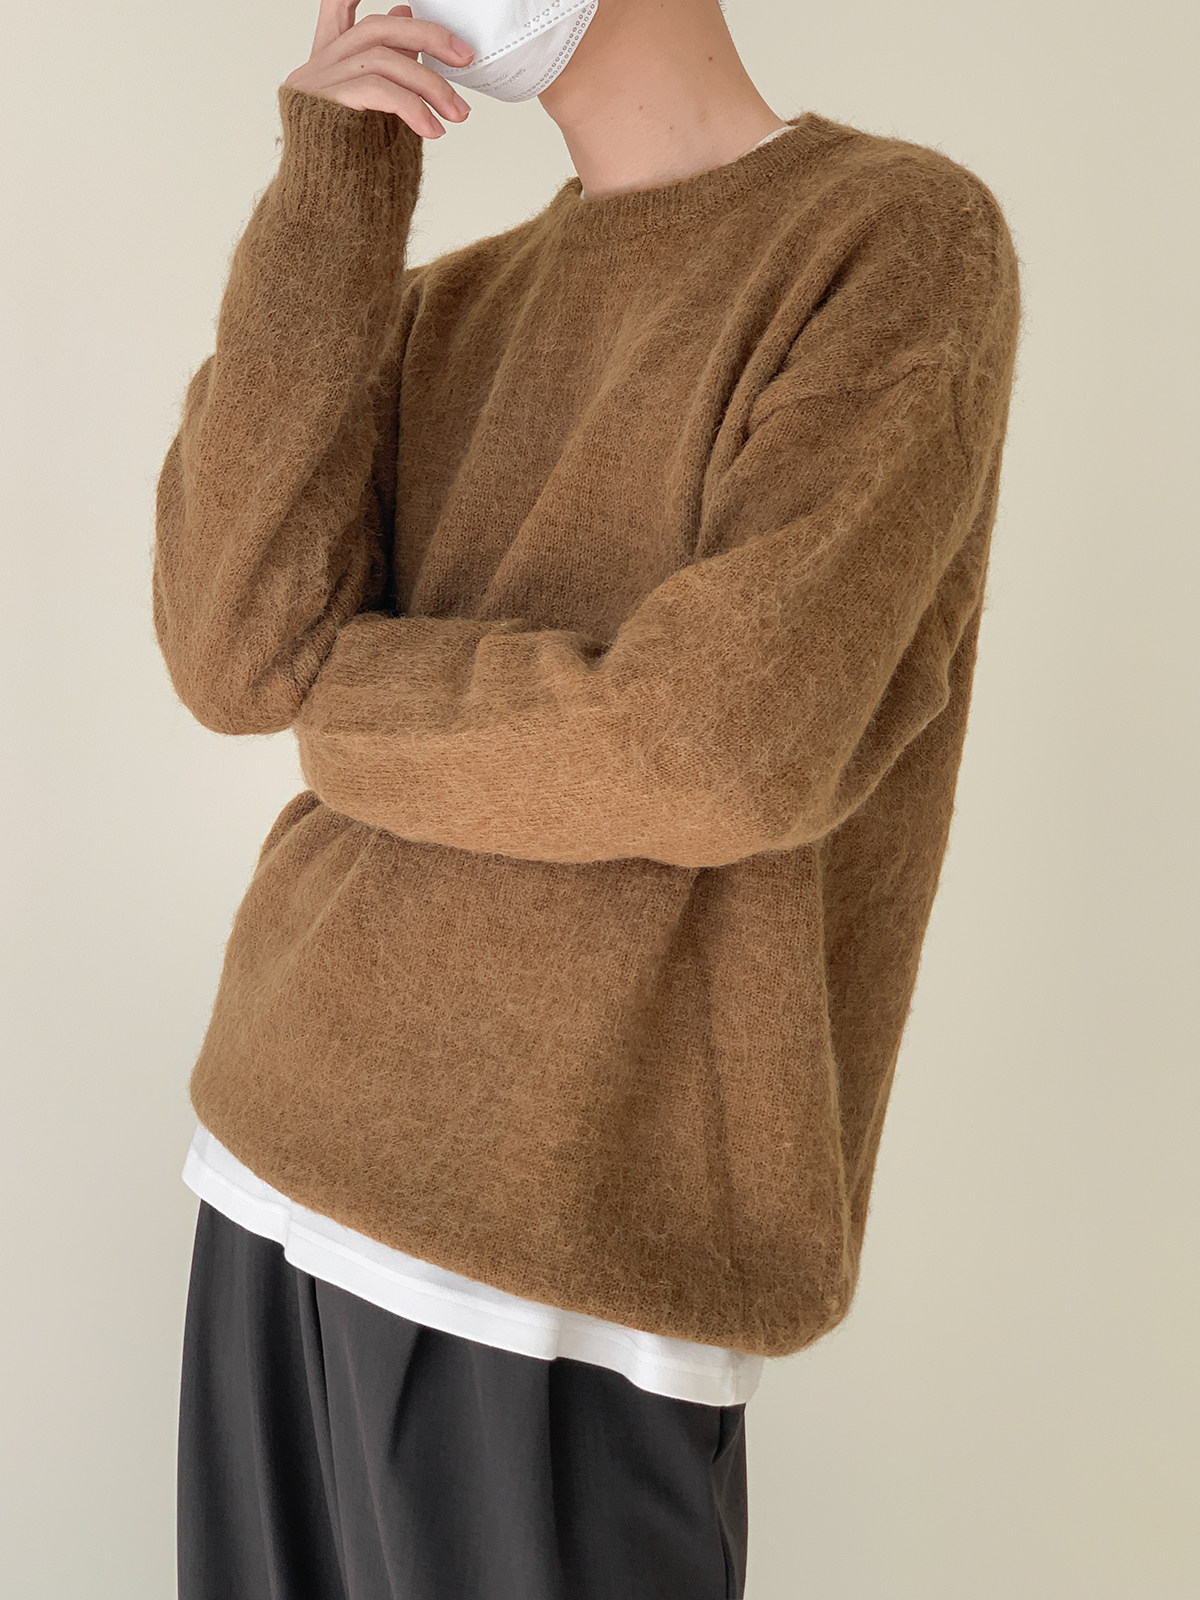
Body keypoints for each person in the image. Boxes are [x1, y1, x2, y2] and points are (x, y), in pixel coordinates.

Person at [153, 0, 1022, 1595]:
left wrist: (346, 709)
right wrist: (336, 179)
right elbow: (231, 650)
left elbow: (720, 746)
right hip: (273, 1160)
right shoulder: (450, 304)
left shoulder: (891, 238)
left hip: (569, 1254)